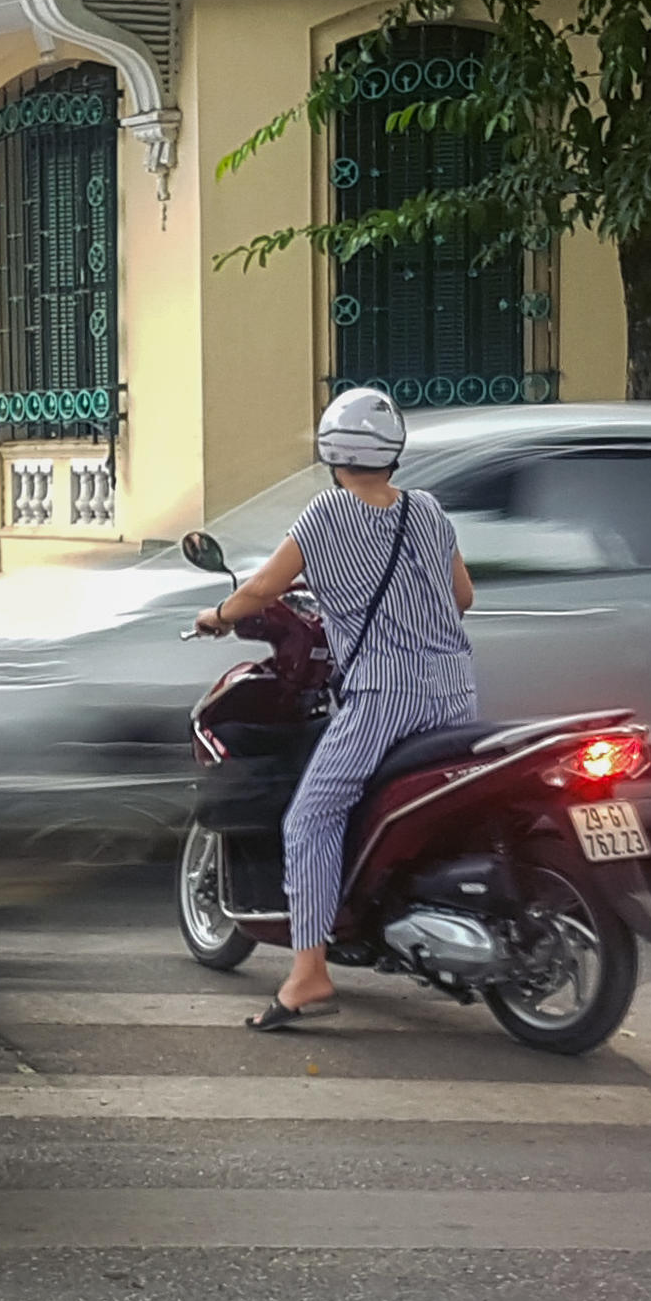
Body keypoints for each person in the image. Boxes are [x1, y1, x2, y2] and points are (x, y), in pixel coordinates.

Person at [190, 388, 477, 1031]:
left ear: (331, 454)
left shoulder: (325, 516)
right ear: (393, 451)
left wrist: (217, 617)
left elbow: (262, 587)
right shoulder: (427, 511)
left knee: (311, 818)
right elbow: (463, 597)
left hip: (384, 697)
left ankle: (309, 972)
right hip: (456, 690)